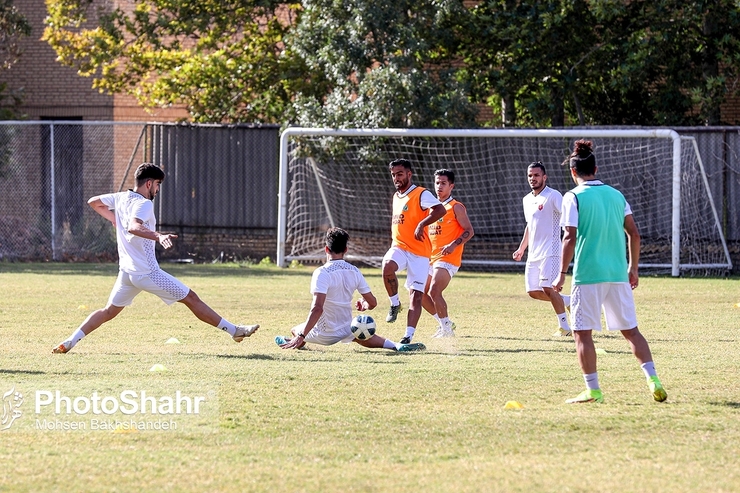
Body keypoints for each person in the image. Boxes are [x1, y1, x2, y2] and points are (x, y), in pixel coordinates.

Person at [52, 163, 259, 354]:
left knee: (107, 312)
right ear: (149, 183)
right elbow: (134, 226)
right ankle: (235, 331)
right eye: (158, 184)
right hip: (148, 273)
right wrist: (158, 235)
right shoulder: (144, 204)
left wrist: (115, 219)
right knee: (191, 298)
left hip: (127, 273)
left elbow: (94, 202)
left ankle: (70, 341)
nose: (158, 190)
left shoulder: (121, 197)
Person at [553, 140, 667, 404]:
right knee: (632, 332)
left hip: (588, 275)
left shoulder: (573, 197)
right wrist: (633, 268)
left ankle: (593, 390)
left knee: (582, 333)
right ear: (595, 167)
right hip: (617, 274)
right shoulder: (617, 195)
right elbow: (635, 234)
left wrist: (561, 274)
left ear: (573, 172)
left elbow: (569, 236)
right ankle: (653, 380)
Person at [276, 227, 426, 352]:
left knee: (296, 330)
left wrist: (301, 335)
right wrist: (365, 305)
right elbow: (372, 302)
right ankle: (397, 345)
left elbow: (317, 308)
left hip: (324, 332)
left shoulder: (321, 272)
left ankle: (295, 341)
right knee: (359, 334)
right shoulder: (354, 270)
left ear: (326, 249)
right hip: (347, 329)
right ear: (346, 249)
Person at [382, 158, 446, 344]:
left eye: (400, 174)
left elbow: (440, 210)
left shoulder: (421, 193)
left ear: (409, 174)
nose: (396, 178)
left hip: (419, 253)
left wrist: (422, 223)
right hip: (400, 247)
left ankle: (408, 336)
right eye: (393, 174)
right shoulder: (396, 196)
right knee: (387, 266)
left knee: (416, 296)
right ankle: (394, 303)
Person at [512, 162, 572, 337]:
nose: (533, 178)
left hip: (551, 251)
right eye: (530, 175)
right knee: (533, 292)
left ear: (544, 177)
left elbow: (568, 218)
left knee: (549, 288)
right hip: (534, 253)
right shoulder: (527, 199)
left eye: (536, 175)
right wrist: (522, 248)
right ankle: (568, 301)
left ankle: (564, 327)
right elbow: (530, 226)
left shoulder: (553, 196)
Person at [421, 169, 474, 338]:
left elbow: (469, 231)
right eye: (437, 183)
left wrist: (453, 244)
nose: (439, 186)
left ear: (451, 186)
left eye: (443, 183)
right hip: (431, 258)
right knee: (419, 293)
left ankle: (447, 330)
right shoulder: (432, 209)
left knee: (434, 290)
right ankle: (444, 323)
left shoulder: (456, 207)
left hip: (448, 258)